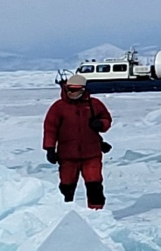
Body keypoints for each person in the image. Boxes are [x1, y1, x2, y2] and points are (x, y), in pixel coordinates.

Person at [43, 74, 113, 209]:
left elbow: (106, 119)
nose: (72, 93)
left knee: (95, 185)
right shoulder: (58, 107)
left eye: (75, 90)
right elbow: (50, 128)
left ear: (83, 90)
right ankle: (64, 213)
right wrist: (49, 148)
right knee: (66, 187)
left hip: (92, 154)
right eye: (70, 89)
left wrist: (101, 124)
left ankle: (97, 213)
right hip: (67, 156)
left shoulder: (95, 104)